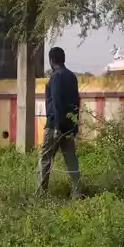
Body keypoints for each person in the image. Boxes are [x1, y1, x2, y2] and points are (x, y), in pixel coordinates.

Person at [37, 46, 81, 197]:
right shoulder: (72, 77)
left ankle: (41, 194)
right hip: (69, 126)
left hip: (55, 124)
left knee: (46, 159)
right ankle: (77, 192)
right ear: (63, 59)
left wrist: (56, 127)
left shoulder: (55, 77)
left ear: (51, 60)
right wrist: (75, 125)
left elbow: (56, 102)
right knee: (71, 159)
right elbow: (77, 102)